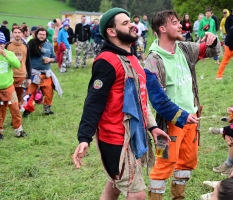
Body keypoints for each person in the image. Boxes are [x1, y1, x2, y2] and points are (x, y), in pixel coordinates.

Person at [72, 8, 170, 200]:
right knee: (138, 195)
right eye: (124, 23)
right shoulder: (106, 61)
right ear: (111, 31)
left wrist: (153, 127)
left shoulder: (132, 58)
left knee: (114, 186)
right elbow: (93, 101)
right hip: (117, 139)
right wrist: (84, 137)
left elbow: (140, 99)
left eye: (130, 21)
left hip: (136, 136)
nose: (132, 24)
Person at [144, 10, 220, 199]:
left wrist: (213, 39)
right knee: (165, 164)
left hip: (192, 119)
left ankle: (179, 196)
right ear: (162, 28)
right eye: (175, 23)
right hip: (170, 123)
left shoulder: (184, 48)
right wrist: (183, 116)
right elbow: (158, 101)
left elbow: (211, 51)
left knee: (187, 161)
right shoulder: (153, 61)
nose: (181, 26)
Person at [23, 27, 62, 117]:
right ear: (36, 35)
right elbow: (26, 58)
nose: (41, 36)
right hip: (34, 74)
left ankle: (47, 110)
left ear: (46, 36)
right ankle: (27, 111)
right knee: (30, 93)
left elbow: (55, 58)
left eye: (43, 34)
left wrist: (50, 59)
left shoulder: (49, 46)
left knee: (49, 93)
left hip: (46, 74)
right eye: (40, 34)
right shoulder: (31, 44)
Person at [0, 32, 27, 140]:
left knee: (15, 108)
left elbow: (16, 65)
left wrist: (5, 55)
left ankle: (18, 130)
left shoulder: (9, 54)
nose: (0, 46)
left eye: (1, 43)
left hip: (10, 88)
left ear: (4, 44)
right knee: (1, 110)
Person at [5, 26, 31, 109]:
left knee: (20, 95)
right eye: (15, 32)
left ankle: (18, 108)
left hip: (22, 75)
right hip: (10, 75)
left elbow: (28, 62)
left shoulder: (26, 46)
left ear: (22, 34)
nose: (17, 34)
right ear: (12, 34)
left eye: (19, 32)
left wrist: (29, 77)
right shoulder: (7, 45)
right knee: (11, 95)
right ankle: (13, 109)